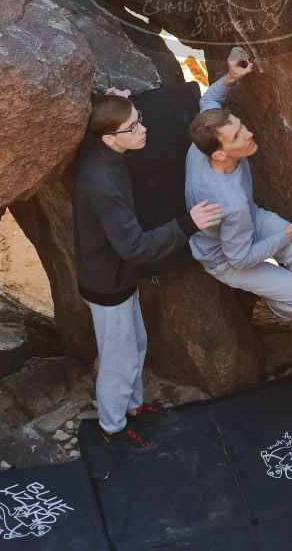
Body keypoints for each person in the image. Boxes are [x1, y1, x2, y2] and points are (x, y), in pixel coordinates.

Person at [73, 89, 223, 453]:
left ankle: (132, 407)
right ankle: (113, 427)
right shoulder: (103, 182)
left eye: (139, 118)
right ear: (110, 138)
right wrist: (189, 224)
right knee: (117, 359)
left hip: (117, 275)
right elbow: (134, 247)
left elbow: (102, 114)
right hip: (108, 282)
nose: (143, 129)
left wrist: (113, 100)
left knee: (135, 345)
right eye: (132, 126)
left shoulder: (104, 148)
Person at [185, 49, 292, 341]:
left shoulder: (205, 136)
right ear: (221, 154)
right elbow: (238, 260)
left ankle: (281, 290)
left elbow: (209, 101)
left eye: (241, 126)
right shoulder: (230, 201)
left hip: (248, 221)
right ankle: (277, 314)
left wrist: (230, 77)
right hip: (225, 259)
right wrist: (291, 231)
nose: (248, 134)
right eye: (238, 136)